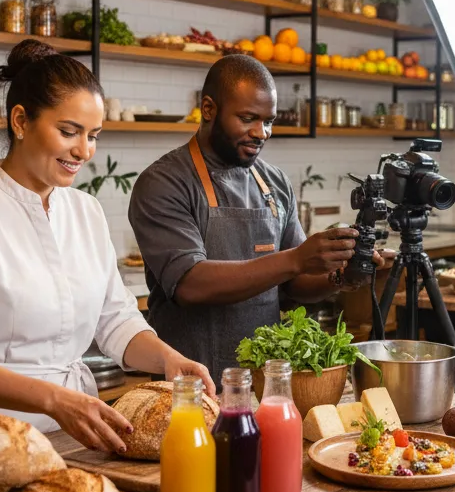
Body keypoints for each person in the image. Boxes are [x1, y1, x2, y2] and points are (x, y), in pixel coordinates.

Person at [0, 39, 214, 454]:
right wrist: (55, 400)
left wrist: (167, 360)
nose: (83, 151)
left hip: (64, 433)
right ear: (20, 121)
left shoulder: (85, 211)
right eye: (69, 131)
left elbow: (114, 319)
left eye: (93, 135)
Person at [129, 55, 369, 381]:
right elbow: (190, 284)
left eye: (268, 121)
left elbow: (294, 286)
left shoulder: (274, 183)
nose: (262, 133)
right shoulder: (164, 182)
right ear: (209, 109)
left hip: (265, 385)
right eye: (247, 118)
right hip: (192, 387)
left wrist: (339, 275)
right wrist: (298, 258)